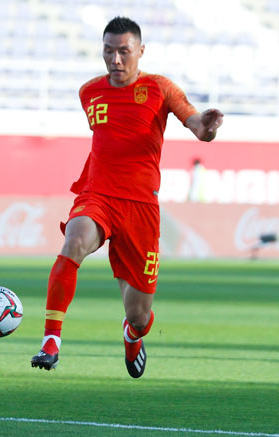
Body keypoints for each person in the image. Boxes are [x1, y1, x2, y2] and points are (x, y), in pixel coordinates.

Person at [30, 17, 223, 378]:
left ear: (140, 52)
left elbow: (196, 125)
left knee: (139, 315)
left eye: (123, 51)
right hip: (98, 194)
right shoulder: (89, 92)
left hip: (141, 208)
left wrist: (207, 127)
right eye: (108, 51)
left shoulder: (160, 88)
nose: (115, 59)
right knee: (74, 242)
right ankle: (51, 340)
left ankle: (132, 335)